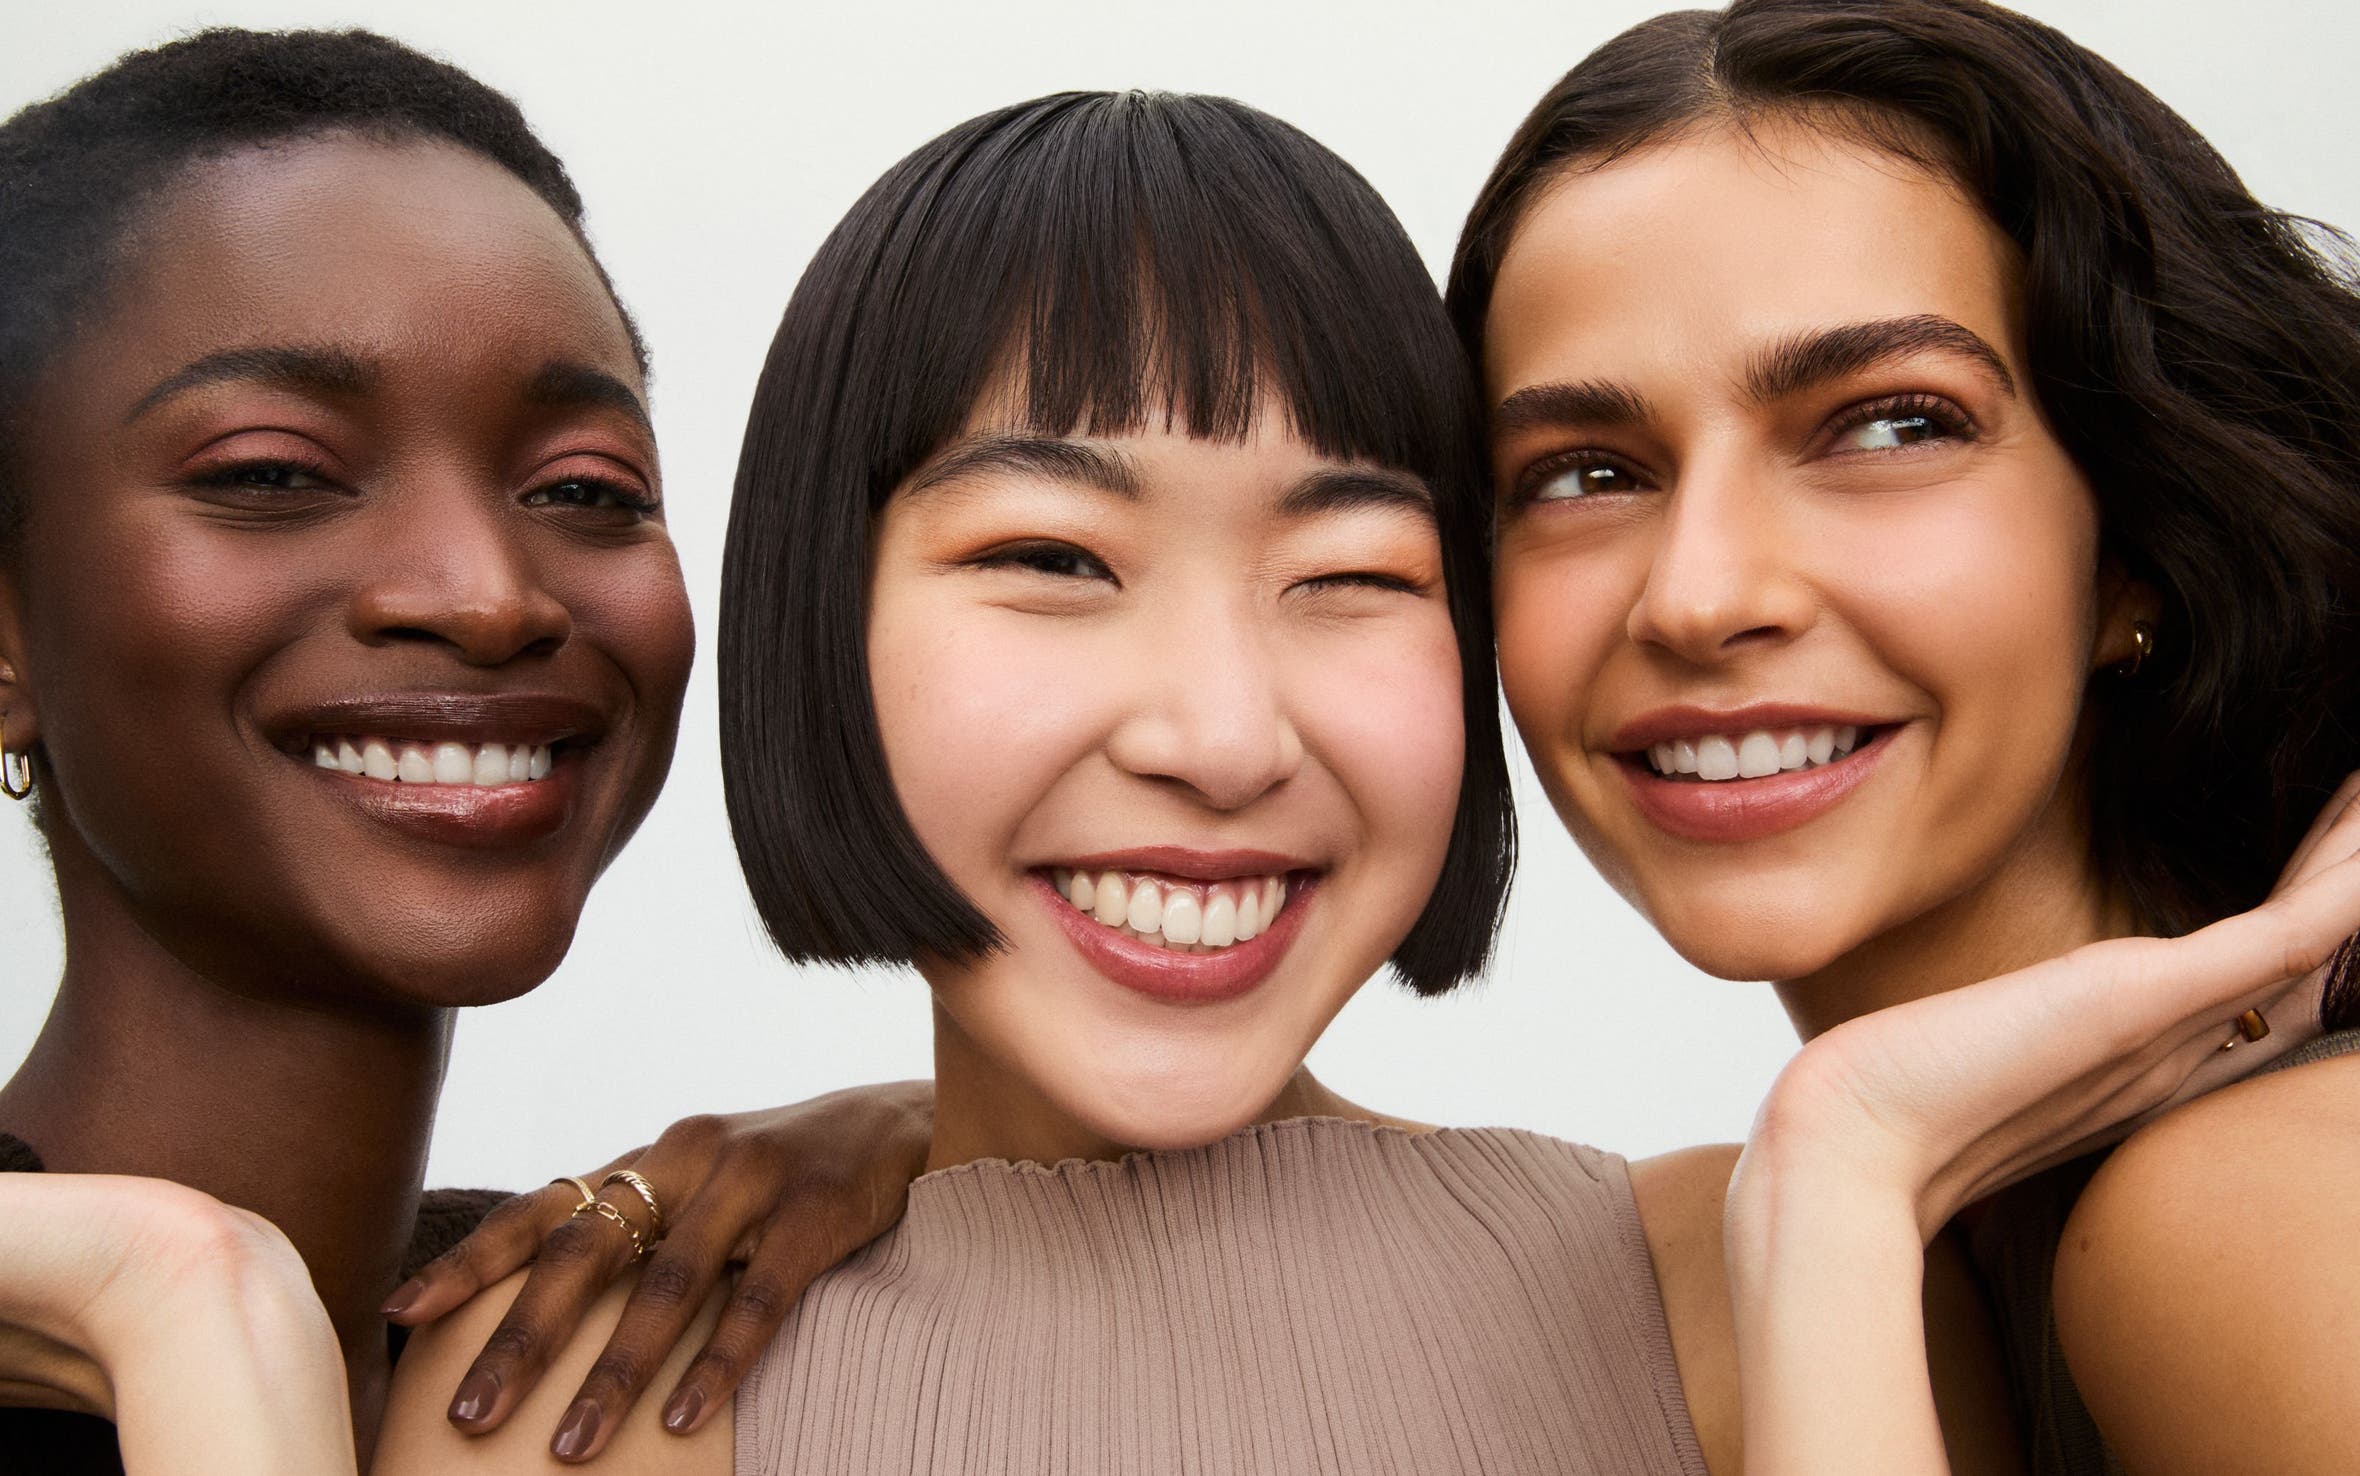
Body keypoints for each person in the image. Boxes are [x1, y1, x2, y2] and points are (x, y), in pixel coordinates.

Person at [371, 89, 1760, 1476]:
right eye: (1053, 559)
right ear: (814, 622)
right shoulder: (567, 1406)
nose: (1222, 740)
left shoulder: (1735, 1285)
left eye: (1352, 574)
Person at [1443, 0, 2360, 1470]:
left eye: (1889, 426)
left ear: (2135, 547)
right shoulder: (1865, 1249)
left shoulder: (2238, 1218)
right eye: (1585, 471)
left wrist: (1835, 1165)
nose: (1699, 595)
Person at [0, 30, 927, 1473]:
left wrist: (950, 1131)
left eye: (583, 486)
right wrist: (173, 1291)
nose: (490, 594)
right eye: (273, 475)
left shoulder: (599, 1362)